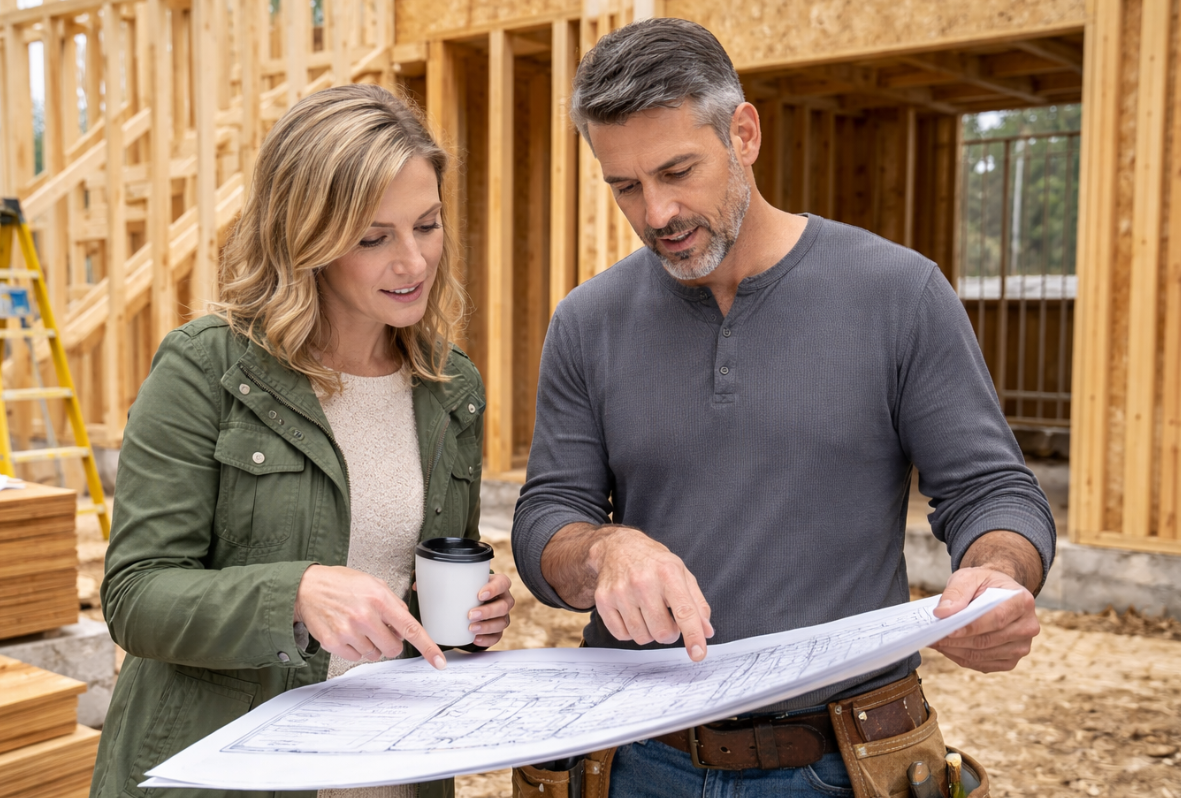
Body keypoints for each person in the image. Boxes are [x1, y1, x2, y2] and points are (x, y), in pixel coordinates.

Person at [511, 18, 1054, 797]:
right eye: (624, 186)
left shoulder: (899, 294)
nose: (656, 212)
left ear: (745, 132)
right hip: (636, 760)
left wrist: (997, 574)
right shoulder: (587, 321)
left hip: (845, 763)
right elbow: (547, 518)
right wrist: (603, 552)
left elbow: (991, 492)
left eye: (678, 171)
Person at [90, 84, 514, 798]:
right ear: (305, 237)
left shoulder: (448, 387)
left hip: (394, 772)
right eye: (374, 238)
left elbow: (419, 576)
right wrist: (294, 593)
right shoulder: (207, 369)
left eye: (428, 225)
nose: (412, 262)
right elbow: (135, 596)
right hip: (228, 774)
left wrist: (473, 615)